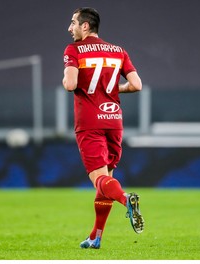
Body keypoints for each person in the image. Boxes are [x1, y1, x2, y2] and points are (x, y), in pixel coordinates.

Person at [62, 7, 144, 249]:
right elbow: (136, 85)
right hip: (113, 120)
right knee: (106, 179)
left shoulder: (74, 50)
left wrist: (66, 79)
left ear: (85, 26)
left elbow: (70, 84)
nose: (70, 28)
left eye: (73, 23)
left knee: (99, 179)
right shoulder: (118, 51)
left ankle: (126, 198)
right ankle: (96, 236)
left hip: (90, 122)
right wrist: (111, 90)